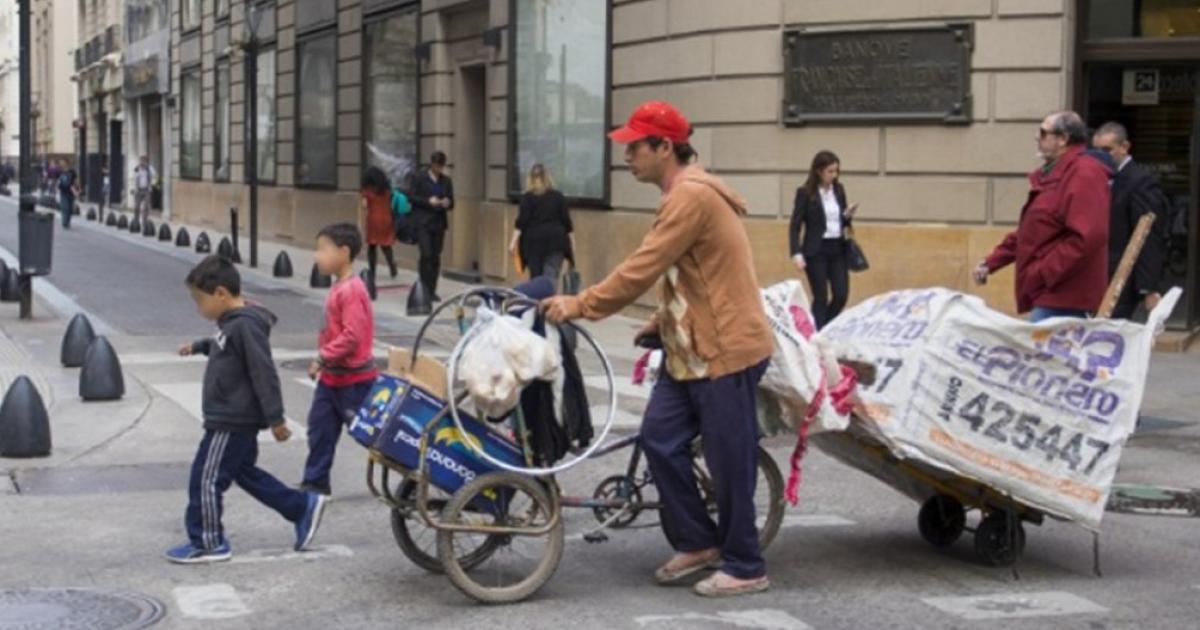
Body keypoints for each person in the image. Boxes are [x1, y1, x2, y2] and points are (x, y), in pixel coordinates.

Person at [542, 101, 774, 598]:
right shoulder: (680, 194)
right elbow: (686, 273)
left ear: (665, 147)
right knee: (659, 438)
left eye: (635, 146)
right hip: (689, 349)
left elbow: (642, 267)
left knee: (727, 459)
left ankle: (746, 564)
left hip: (725, 349)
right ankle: (697, 541)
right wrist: (658, 323)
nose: (626, 156)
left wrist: (580, 304)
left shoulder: (691, 196)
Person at [167, 256, 329, 564]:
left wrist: (277, 419)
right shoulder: (231, 324)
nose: (198, 308)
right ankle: (300, 507)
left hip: (231, 419)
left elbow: (262, 372)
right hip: (231, 417)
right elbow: (224, 345)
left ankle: (208, 541)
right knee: (245, 473)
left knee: (205, 478)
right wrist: (201, 346)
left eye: (200, 300)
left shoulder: (245, 326)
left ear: (221, 294)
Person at [973, 111, 1112, 322]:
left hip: (1066, 296)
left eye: (1043, 132)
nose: (1037, 137)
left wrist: (1043, 273)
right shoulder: (1055, 173)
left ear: (1063, 139)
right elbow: (1032, 230)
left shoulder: (1084, 172)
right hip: (1052, 293)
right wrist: (991, 262)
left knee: (1038, 352)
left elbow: (1087, 237)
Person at [301, 223, 379, 495]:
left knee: (373, 435)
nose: (316, 256)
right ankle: (315, 482)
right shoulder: (339, 287)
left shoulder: (352, 290)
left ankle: (415, 474)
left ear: (344, 252)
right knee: (319, 430)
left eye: (322, 249)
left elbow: (353, 336)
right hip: (333, 378)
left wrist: (322, 356)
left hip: (354, 381)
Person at [1092, 122, 1168, 319]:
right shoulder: (1097, 177)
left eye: (1107, 149)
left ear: (1124, 147)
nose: (1101, 155)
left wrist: (1148, 287)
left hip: (1121, 278)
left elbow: (1148, 235)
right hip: (1095, 274)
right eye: (1097, 150)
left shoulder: (1140, 181)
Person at [788, 151, 859, 329]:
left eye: (836, 171)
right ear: (819, 171)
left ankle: (821, 330)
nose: (834, 175)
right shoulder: (805, 193)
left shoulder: (839, 190)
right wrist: (796, 253)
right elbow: (795, 225)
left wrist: (847, 215)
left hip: (837, 248)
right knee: (821, 297)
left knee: (841, 295)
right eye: (830, 171)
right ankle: (818, 337)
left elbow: (843, 221)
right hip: (816, 250)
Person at [509, 163, 575, 282]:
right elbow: (567, 223)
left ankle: (539, 300)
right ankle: (549, 299)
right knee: (551, 277)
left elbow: (521, 222)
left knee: (537, 280)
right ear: (548, 177)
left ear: (530, 179)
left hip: (534, 243)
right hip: (556, 241)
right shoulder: (558, 197)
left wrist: (513, 243)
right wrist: (572, 244)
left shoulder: (527, 198)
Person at [407, 151, 454, 301]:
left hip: (438, 223)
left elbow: (452, 202)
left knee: (435, 256)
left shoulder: (446, 181)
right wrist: (428, 201)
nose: (439, 169)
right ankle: (423, 287)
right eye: (437, 166)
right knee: (426, 254)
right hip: (423, 223)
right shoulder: (420, 178)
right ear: (432, 164)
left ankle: (432, 289)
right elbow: (412, 197)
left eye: (441, 167)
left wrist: (447, 202)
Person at [360, 166, 399, 282]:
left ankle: (372, 271)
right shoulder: (386, 191)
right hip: (386, 219)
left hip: (373, 219)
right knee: (386, 245)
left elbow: (364, 205)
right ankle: (392, 265)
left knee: (372, 246)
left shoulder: (367, 191)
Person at [56, 160, 79, 229]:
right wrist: (57, 188)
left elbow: (76, 181)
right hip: (63, 192)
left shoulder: (72, 172)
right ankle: (64, 222)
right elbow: (58, 181)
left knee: (70, 209)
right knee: (65, 207)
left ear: (66, 163)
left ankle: (68, 221)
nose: (61, 164)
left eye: (62, 162)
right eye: (60, 163)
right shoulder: (59, 172)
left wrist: (77, 189)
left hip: (71, 192)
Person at [133, 155, 156, 223]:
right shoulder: (137, 169)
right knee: (137, 206)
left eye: (143, 161)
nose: (142, 163)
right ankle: (136, 221)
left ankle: (144, 221)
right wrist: (135, 188)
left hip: (147, 190)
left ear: (146, 162)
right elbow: (134, 177)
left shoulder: (150, 168)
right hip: (139, 189)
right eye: (141, 161)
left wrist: (151, 185)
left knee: (145, 207)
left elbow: (154, 176)